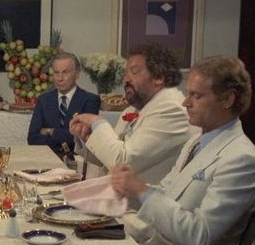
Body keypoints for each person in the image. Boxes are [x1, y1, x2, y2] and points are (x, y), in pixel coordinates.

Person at [111, 56, 255, 245]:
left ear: (227, 99)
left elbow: (200, 234)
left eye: (197, 96)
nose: (186, 102)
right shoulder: (196, 142)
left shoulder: (242, 159)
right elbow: (167, 193)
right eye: (188, 93)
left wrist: (141, 191)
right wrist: (127, 191)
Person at [69, 44, 194, 184]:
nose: (126, 79)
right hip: (120, 193)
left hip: (145, 197)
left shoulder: (171, 109)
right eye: (125, 73)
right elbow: (109, 158)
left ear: (158, 77)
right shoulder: (132, 109)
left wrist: (98, 123)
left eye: (134, 72)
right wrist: (87, 137)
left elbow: (122, 162)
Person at [27, 52, 100, 156]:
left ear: (77, 74)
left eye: (65, 72)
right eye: (56, 73)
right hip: (48, 159)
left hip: (76, 161)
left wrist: (51, 131)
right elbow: (32, 138)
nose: (60, 78)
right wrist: (67, 136)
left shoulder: (90, 100)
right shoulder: (43, 100)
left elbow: (83, 137)